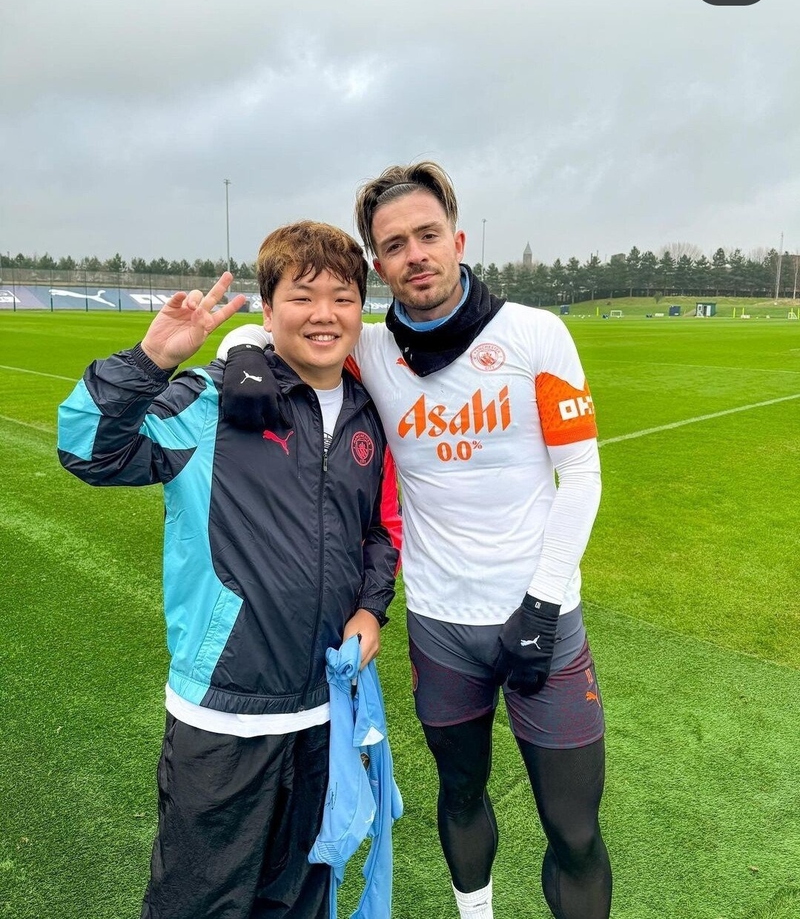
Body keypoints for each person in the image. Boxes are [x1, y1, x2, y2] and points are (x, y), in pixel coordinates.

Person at [219, 163, 611, 919]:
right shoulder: (371, 350)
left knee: (574, 828)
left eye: (428, 235)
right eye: (394, 245)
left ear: (457, 241)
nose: (415, 254)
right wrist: (240, 350)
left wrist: (541, 604)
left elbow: (582, 475)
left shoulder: (536, 334)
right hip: (440, 628)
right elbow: (283, 323)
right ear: (378, 263)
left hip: (544, 622)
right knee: (459, 796)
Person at [57, 221, 401, 919]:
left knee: (299, 899)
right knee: (198, 905)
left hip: (322, 714)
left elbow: (373, 532)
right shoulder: (211, 401)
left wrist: (371, 608)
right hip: (224, 716)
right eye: (302, 296)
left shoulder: (367, 416)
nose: (324, 314)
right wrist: (151, 360)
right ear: (268, 310)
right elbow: (88, 450)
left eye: (342, 297)